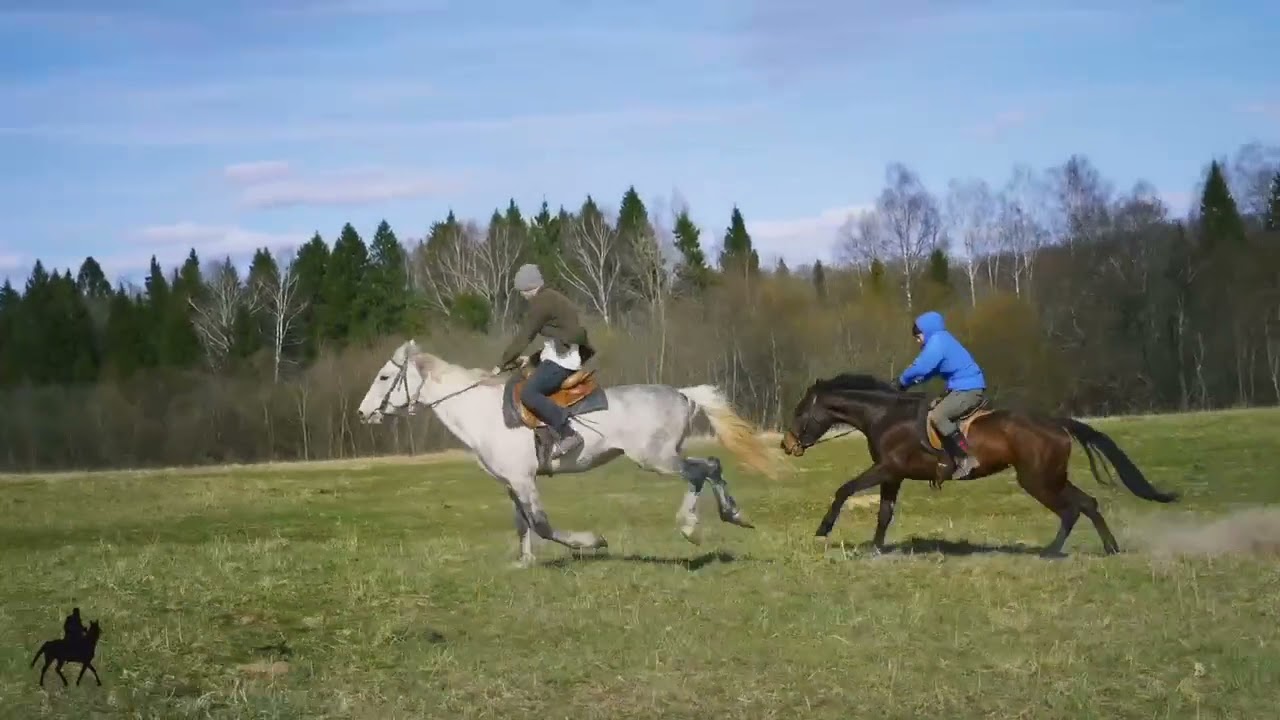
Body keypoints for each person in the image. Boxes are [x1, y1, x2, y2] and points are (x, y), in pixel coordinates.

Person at [493, 264, 591, 459]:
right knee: (522, 378)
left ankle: (568, 433)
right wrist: (530, 359)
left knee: (529, 393)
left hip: (563, 361)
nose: (522, 295)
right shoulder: (550, 298)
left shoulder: (542, 303)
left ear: (529, 287)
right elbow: (555, 339)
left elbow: (524, 336)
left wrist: (501, 364)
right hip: (559, 355)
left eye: (521, 291)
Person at [893, 310, 987, 480]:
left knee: (938, 416)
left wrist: (901, 380)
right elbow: (928, 372)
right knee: (931, 408)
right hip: (962, 387)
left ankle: (965, 458)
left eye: (918, 336)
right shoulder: (942, 340)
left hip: (968, 389)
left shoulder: (938, 342)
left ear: (926, 331)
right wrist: (906, 384)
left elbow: (921, 367)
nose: (918, 340)